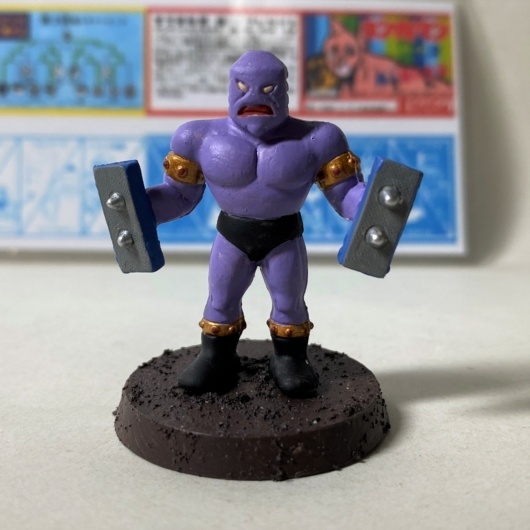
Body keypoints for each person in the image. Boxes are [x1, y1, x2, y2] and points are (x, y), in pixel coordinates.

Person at [146, 50, 366, 398]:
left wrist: (373, 202)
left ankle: (289, 360)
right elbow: (178, 196)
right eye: (243, 88)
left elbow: (346, 196)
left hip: (283, 235)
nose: (254, 98)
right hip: (232, 236)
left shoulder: (318, 139)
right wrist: (142, 206)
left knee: (290, 302)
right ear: (230, 90)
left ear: (285, 91)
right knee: (221, 299)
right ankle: (216, 357)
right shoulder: (197, 138)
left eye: (267, 90)